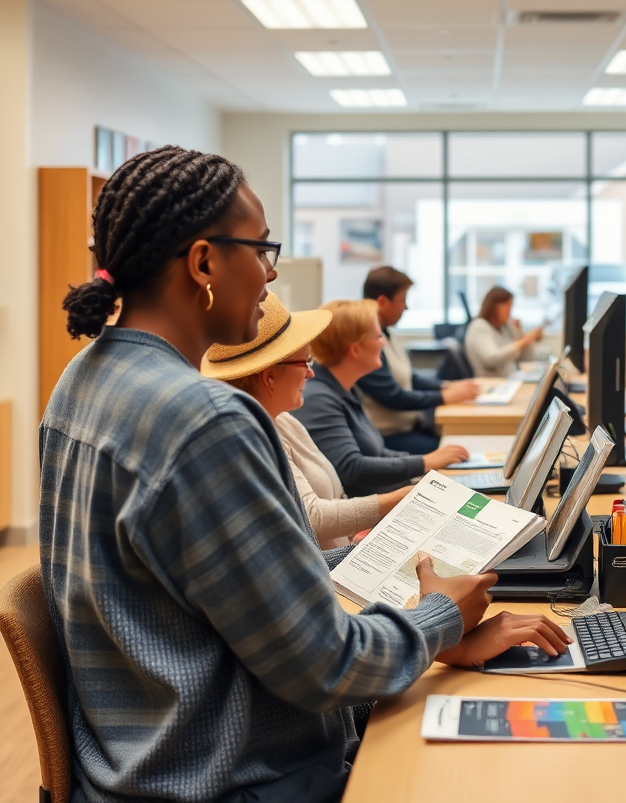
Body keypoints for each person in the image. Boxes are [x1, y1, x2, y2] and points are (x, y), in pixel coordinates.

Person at [42, 146, 570, 803]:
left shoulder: (79, 382)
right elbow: (325, 666)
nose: (269, 275)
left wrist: (421, 637)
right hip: (230, 776)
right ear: (205, 261)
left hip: (142, 759)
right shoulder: (205, 420)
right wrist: (443, 619)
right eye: (262, 251)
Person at [203, 292, 413, 549]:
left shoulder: (284, 420)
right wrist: (401, 497)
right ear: (270, 378)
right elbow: (311, 517)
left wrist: (356, 532)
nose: (311, 372)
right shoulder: (254, 435)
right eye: (306, 361)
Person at [294, 299, 471, 497]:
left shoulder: (346, 388)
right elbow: (352, 468)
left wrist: (425, 464)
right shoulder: (319, 398)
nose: (383, 342)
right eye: (378, 336)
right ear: (355, 349)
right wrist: (424, 462)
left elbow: (377, 452)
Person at [357, 266, 478, 455]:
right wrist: (443, 397)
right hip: (388, 437)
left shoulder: (388, 334)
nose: (406, 307)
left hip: (408, 427)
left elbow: (409, 378)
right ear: (382, 302)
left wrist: (445, 386)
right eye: (403, 300)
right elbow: (392, 396)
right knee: (459, 451)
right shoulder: (367, 341)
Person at [464, 285, 544, 378]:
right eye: (507, 306)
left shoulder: (502, 327)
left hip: (508, 379)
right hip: (490, 382)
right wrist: (522, 342)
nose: (510, 311)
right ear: (494, 307)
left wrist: (521, 334)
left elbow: (527, 358)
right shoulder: (480, 326)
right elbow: (492, 359)